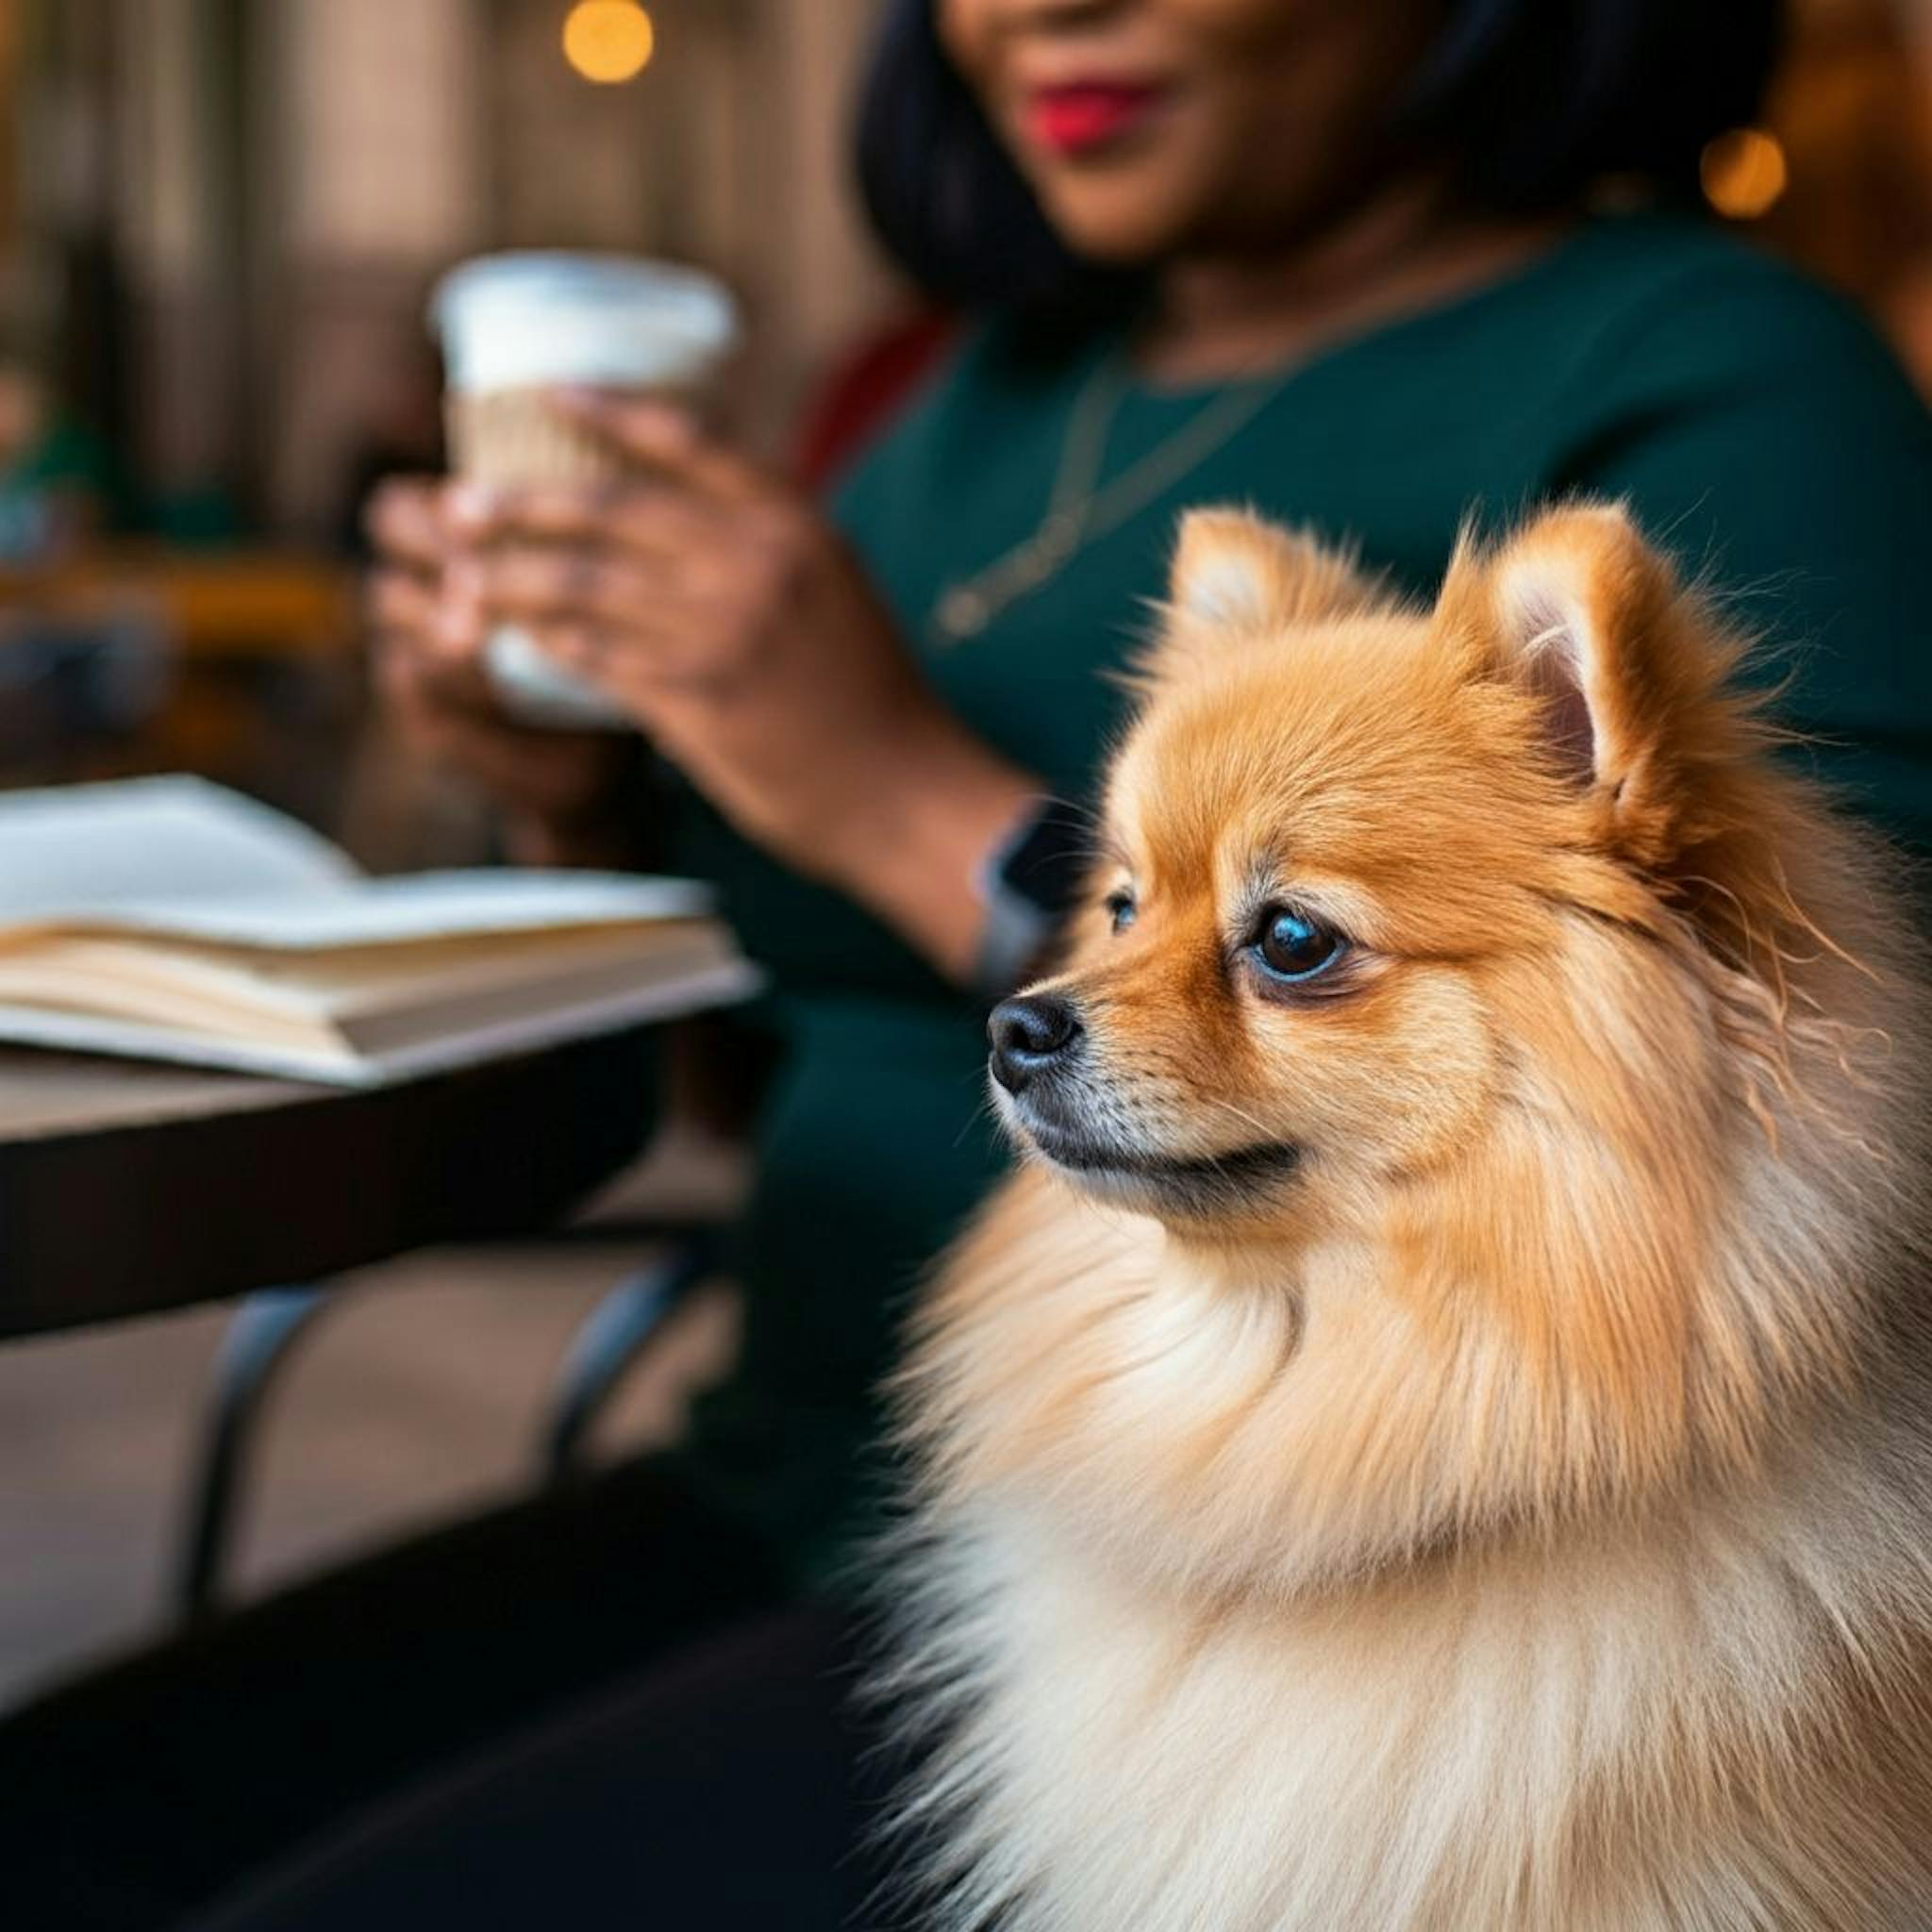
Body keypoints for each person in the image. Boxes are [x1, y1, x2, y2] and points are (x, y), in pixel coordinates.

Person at [12, 1, 1932, 1925]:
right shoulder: (952, 401)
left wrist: (889, 792)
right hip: (829, 1478)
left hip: (1427, 1610)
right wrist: (589, 790)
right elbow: (758, 1087)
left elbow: (1807, 1145)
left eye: (1281, 941)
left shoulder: (1720, 379)